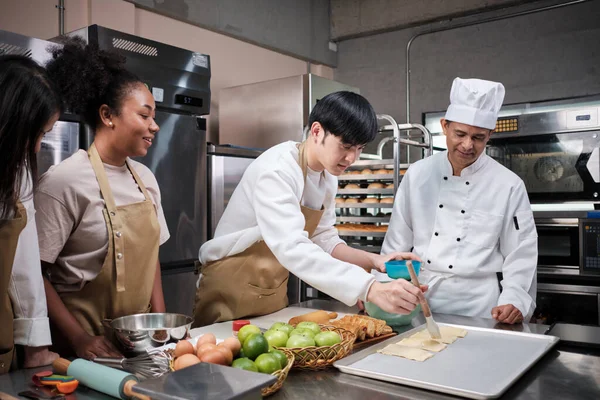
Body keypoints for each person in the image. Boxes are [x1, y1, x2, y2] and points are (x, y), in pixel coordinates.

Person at [193, 91, 426, 327]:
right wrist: (369, 288)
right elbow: (292, 247)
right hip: (230, 286)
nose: (351, 157)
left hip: (269, 290)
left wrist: (376, 261)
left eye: (359, 148)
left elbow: (323, 238)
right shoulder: (278, 170)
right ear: (316, 131)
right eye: (345, 146)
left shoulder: (327, 176)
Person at [35, 37, 170, 359]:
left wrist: (161, 323)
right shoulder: (64, 181)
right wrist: (80, 338)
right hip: (80, 351)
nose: (155, 126)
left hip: (136, 343)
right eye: (145, 115)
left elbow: (150, 257)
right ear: (108, 115)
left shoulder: (146, 180)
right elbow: (34, 273)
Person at [382, 77, 537, 324]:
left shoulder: (508, 184)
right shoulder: (418, 174)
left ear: (490, 135)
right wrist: (381, 287)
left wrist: (515, 299)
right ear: (444, 126)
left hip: (480, 306)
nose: (467, 145)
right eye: (460, 134)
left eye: (478, 137)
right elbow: (396, 243)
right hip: (420, 298)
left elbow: (521, 251)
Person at [0, 55, 61, 372]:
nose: (37, 147)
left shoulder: (16, 165)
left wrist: (37, 345)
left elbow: (23, 258)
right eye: (36, 132)